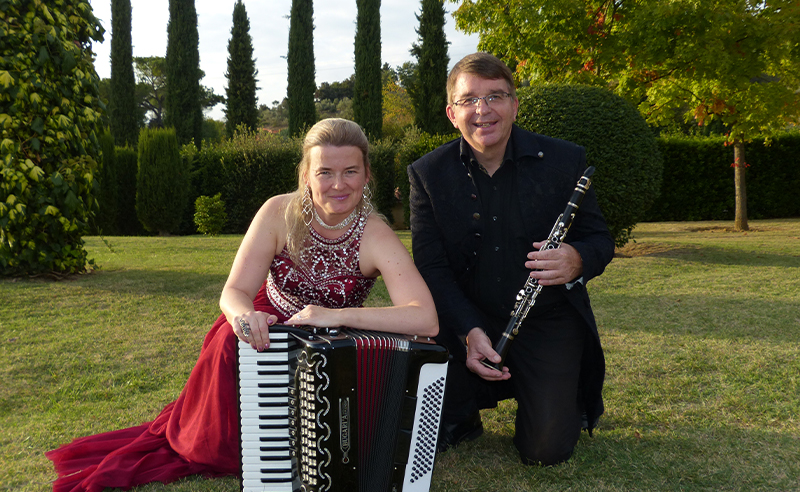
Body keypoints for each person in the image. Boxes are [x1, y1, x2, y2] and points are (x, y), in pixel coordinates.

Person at [47, 118, 438, 492]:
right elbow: (233, 292)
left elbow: (425, 318)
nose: (338, 184)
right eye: (324, 172)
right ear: (306, 174)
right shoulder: (276, 212)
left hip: (329, 347)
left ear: (367, 174)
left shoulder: (376, 233)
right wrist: (243, 316)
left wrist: (334, 316)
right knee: (221, 445)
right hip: (258, 335)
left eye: (350, 171)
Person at [407, 52, 614, 466]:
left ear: (515, 105)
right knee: (422, 420)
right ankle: (467, 411)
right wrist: (468, 331)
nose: (483, 110)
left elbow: (599, 239)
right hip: (468, 317)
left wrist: (577, 258)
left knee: (545, 450)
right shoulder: (428, 173)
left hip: (546, 318)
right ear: (452, 113)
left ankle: (550, 391)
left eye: (495, 96)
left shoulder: (564, 160)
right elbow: (431, 267)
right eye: (469, 100)